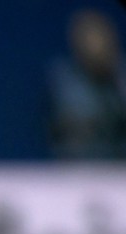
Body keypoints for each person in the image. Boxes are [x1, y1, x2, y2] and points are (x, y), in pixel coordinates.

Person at [48, 7, 126, 161]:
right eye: (89, 39)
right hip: (82, 166)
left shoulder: (121, 74)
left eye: (101, 37)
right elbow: (80, 124)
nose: (96, 46)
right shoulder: (66, 79)